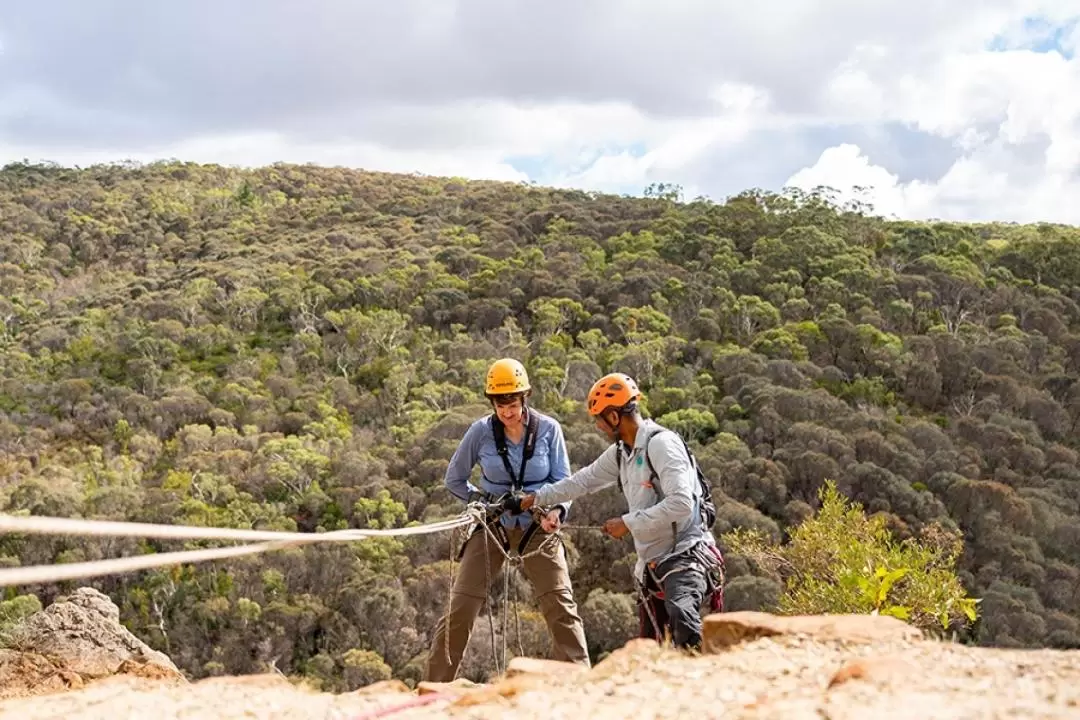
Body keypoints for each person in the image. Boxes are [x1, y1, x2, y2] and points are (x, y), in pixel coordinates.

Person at [517, 371, 722, 651]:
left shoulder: (661, 445)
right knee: (651, 649)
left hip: (684, 555)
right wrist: (535, 498)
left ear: (614, 417)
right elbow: (583, 481)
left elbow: (682, 503)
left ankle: (708, 682)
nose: (598, 427)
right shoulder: (622, 452)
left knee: (683, 621)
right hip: (652, 565)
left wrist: (627, 523)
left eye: (599, 419)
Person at [424, 358, 590, 681]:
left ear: (524, 398)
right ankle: (432, 689)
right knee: (460, 610)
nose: (507, 412)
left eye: (512, 404)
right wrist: (481, 500)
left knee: (561, 606)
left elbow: (563, 482)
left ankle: (580, 685)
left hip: (537, 526)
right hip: (493, 525)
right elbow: (454, 479)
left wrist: (556, 512)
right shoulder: (481, 433)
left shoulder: (548, 431)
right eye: (500, 405)